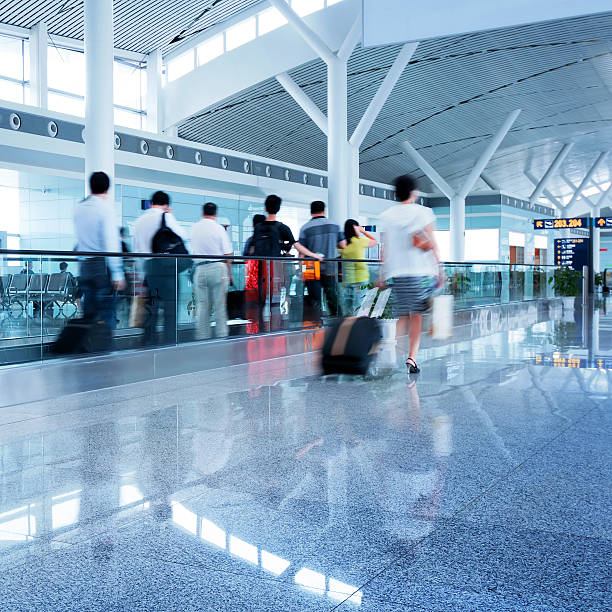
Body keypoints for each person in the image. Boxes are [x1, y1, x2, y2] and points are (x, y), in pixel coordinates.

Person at [379, 175, 441, 374]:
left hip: (398, 274)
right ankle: (411, 358)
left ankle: (385, 351)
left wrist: (382, 274)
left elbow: (385, 249)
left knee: (403, 315)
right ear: (414, 192)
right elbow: (432, 243)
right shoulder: (423, 213)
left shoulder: (387, 215)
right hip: (421, 272)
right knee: (416, 316)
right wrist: (440, 269)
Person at [133, 190, 185, 346]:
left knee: (151, 313)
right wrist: (170, 215)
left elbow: (136, 251)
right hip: (167, 271)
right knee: (170, 313)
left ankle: (149, 347)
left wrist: (143, 275)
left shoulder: (139, 221)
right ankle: (169, 347)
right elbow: (182, 236)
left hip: (150, 272)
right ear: (166, 205)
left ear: (150, 203)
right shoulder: (166, 216)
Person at [74, 171, 125, 327]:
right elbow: (111, 243)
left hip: (85, 266)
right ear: (107, 189)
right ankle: (104, 349)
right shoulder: (105, 209)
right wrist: (117, 273)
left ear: (90, 187)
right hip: (101, 267)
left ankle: (90, 350)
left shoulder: (79, 208)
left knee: (89, 315)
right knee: (106, 314)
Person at [252, 195, 321, 308]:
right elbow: (297, 245)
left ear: (265, 208)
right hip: (276, 271)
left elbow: (255, 247)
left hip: (260, 270)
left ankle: (261, 324)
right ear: (278, 209)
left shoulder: (258, 227)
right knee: (275, 302)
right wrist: (314, 255)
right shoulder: (282, 227)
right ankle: (275, 323)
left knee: (261, 302)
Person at [191, 202, 234, 340]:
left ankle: (203, 338)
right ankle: (221, 337)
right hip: (217, 268)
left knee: (202, 307)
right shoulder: (219, 228)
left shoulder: (194, 228)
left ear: (202, 213)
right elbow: (228, 254)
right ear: (215, 214)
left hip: (199, 269)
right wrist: (230, 273)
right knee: (220, 306)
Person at [298, 201, 346, 318]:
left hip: (311, 269)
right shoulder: (334, 225)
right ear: (324, 210)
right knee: (332, 299)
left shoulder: (305, 228)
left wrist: (301, 272)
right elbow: (343, 245)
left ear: (311, 212)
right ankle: (336, 326)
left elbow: (301, 253)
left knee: (315, 301)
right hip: (330, 268)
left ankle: (315, 326)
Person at [340, 219, 378, 315]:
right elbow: (374, 241)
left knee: (347, 308)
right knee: (359, 306)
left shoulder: (342, 244)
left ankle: (348, 326)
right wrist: (363, 231)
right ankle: (357, 327)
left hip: (347, 279)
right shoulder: (359, 241)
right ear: (354, 227)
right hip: (360, 279)